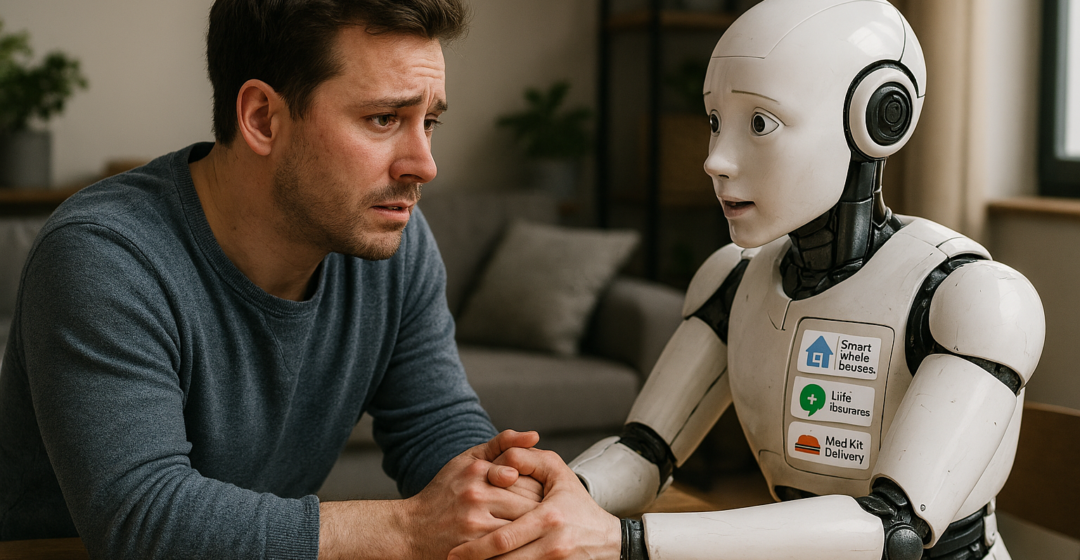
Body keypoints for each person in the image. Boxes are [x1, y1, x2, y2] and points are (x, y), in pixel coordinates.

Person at [0, 1, 613, 558]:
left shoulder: (392, 243)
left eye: (430, 121)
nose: (424, 163)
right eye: (383, 118)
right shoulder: (102, 256)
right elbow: (144, 521)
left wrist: (507, 491)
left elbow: (435, 424)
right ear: (263, 117)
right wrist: (408, 526)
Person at [518, 1, 1044, 559]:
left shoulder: (969, 299)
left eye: (761, 123)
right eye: (716, 122)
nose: (715, 159)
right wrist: (557, 496)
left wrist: (622, 542)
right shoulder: (734, 280)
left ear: (878, 116)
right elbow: (644, 452)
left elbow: (895, 530)